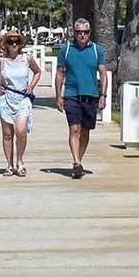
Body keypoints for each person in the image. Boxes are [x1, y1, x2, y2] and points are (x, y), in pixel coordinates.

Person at [55, 19, 108, 178]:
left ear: (89, 33)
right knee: (74, 129)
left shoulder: (97, 50)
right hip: (71, 95)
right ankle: (77, 162)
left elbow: (103, 75)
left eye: (85, 32)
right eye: (79, 32)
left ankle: (79, 161)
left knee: (85, 131)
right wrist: (58, 96)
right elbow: (59, 74)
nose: (82, 35)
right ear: (74, 33)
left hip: (91, 96)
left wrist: (103, 95)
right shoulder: (66, 50)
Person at [0, 31, 40, 176]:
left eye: (16, 41)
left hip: (22, 98)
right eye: (11, 42)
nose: (14, 44)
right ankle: (9, 165)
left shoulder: (27, 59)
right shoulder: (1, 61)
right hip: (6, 98)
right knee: (7, 134)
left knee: (21, 131)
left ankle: (20, 162)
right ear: (6, 44)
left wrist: (31, 86)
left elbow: (37, 72)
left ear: (20, 43)